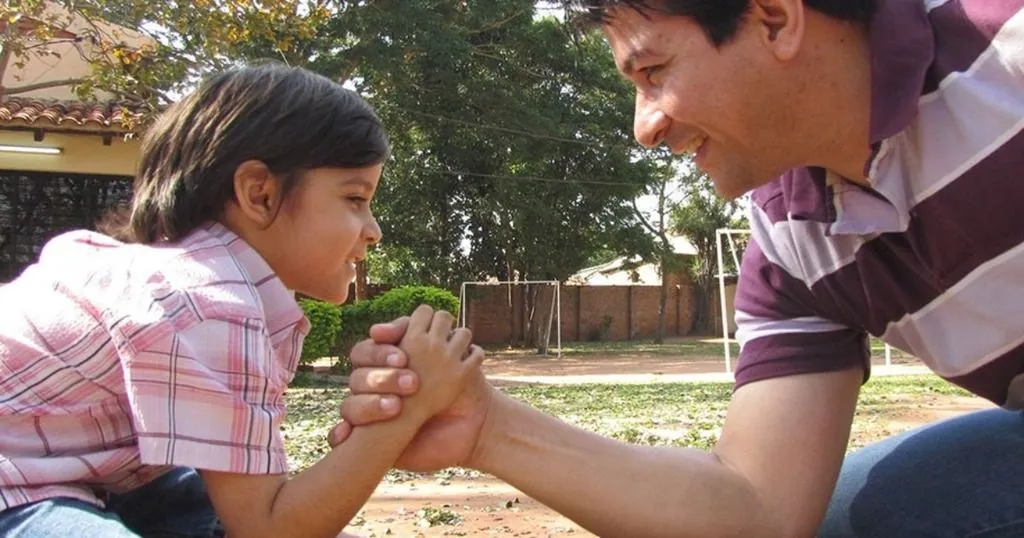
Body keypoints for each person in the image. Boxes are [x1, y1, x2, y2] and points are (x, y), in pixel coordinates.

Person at [329, 1, 1024, 536]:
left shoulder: (1004, 59)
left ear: (775, 19)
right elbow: (758, 509)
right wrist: (486, 427)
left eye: (653, 73)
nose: (645, 126)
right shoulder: (791, 237)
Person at [0, 63, 484, 538]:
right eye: (355, 199)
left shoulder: (182, 279)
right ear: (260, 194)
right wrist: (405, 410)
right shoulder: (209, 301)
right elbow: (268, 528)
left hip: (95, 479)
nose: (374, 232)